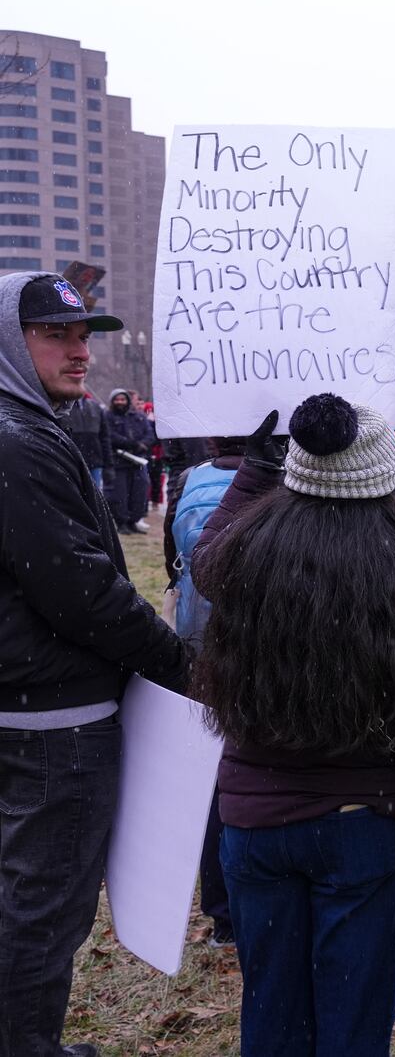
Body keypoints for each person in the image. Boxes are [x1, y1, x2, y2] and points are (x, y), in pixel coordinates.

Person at [190, 394, 395, 1057]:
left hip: (255, 827)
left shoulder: (250, 549)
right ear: (384, 477)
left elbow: (205, 559)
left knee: (272, 1011)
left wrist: (253, 473)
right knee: (352, 1022)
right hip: (362, 824)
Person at [0, 272, 188, 1057]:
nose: (81, 351)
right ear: (12, 344)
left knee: (28, 902)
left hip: (34, 711)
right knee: (44, 909)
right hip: (54, 729)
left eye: (84, 335)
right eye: (57, 335)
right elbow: (84, 592)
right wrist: (182, 665)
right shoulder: (18, 440)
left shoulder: (30, 428)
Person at [164, 433, 249, 950]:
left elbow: (175, 562)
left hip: (200, 650)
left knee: (213, 784)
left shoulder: (188, 482)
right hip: (260, 652)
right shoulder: (278, 484)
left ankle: (221, 916)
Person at [104, 386, 154, 533]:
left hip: (139, 460)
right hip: (119, 461)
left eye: (123, 399)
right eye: (117, 399)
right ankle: (121, 522)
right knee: (119, 494)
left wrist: (143, 444)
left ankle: (134, 520)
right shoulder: (107, 417)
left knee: (139, 492)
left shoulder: (138, 416)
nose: (120, 402)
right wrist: (129, 444)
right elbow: (110, 436)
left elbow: (150, 433)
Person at [63, 391, 111, 489]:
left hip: (94, 461)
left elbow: (104, 438)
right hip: (71, 461)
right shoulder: (62, 407)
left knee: (95, 497)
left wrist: (109, 465)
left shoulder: (96, 407)